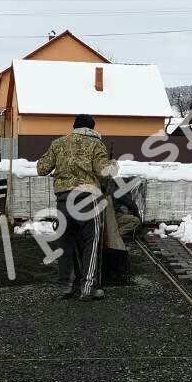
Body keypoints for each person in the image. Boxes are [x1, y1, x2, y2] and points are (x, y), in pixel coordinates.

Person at [37, 113, 117, 301]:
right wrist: (113, 163)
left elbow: (41, 169)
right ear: (92, 128)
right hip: (88, 200)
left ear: (74, 127)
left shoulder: (58, 144)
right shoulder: (96, 144)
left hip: (63, 202)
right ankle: (88, 288)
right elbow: (104, 172)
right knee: (91, 243)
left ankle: (65, 286)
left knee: (65, 245)